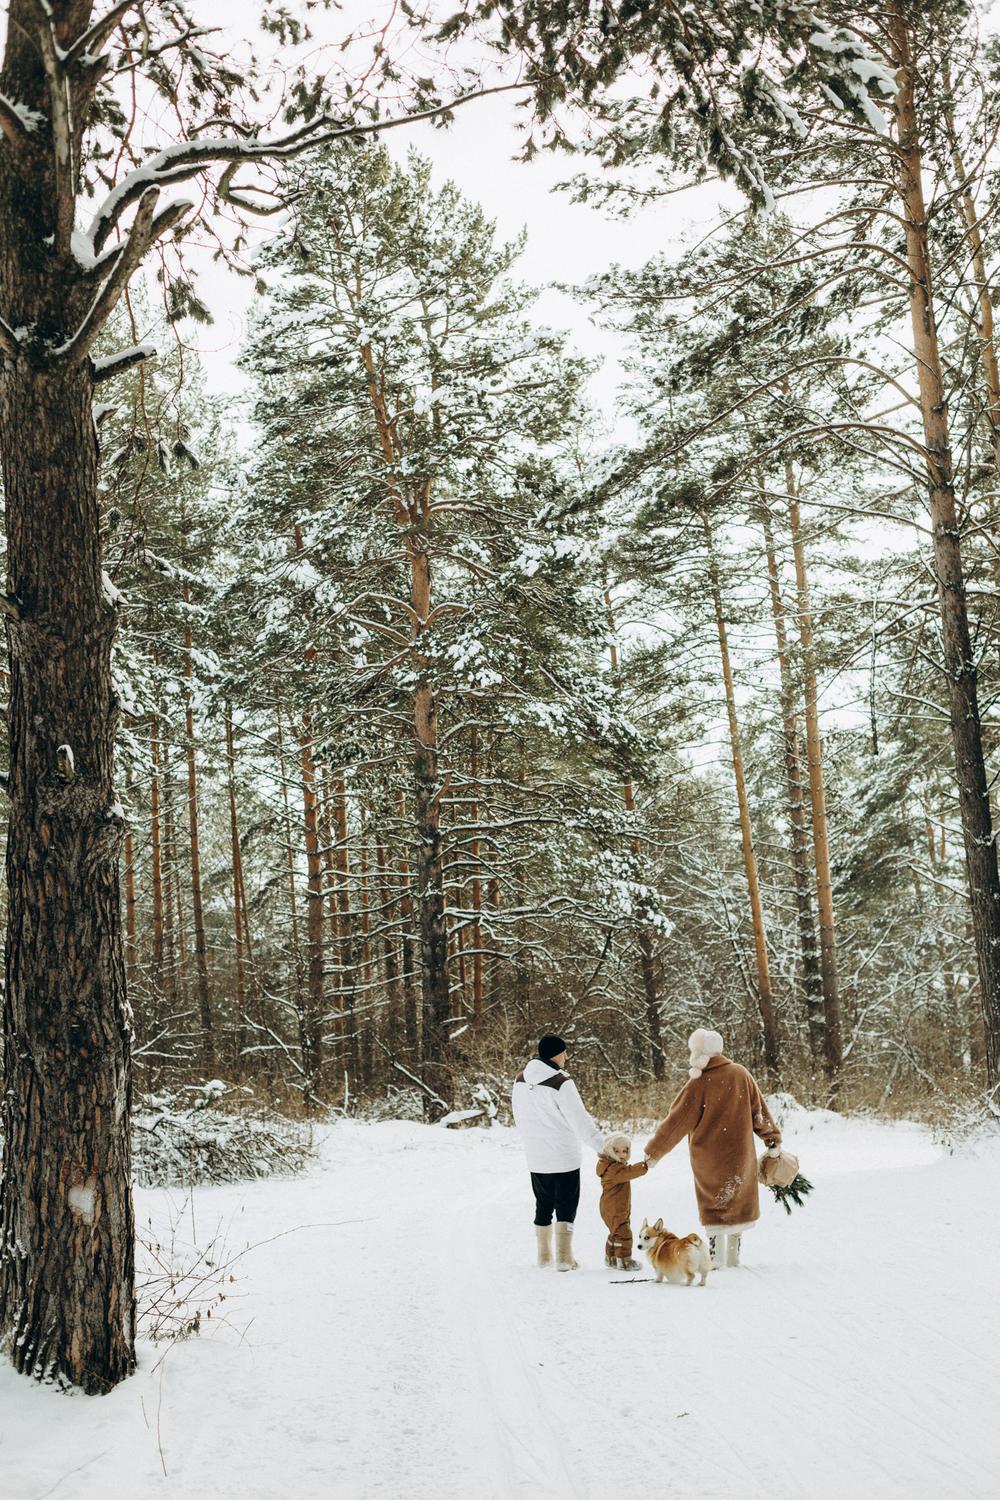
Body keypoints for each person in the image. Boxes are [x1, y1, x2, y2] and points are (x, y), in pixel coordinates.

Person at [644, 1027, 781, 1269]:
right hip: (740, 1152)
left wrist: (653, 1152)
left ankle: (715, 1253)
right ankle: (733, 1253)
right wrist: (771, 1139)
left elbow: (676, 1121)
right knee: (738, 1197)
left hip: (708, 1157)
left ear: (699, 1053)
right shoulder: (741, 1074)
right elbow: (759, 1111)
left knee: (714, 1201)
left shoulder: (698, 1082)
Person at [511, 1034, 605, 1271]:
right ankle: (564, 1258)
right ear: (555, 1054)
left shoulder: (520, 1080)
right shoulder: (561, 1082)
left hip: (536, 1157)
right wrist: (602, 1148)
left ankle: (543, 1256)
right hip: (564, 1157)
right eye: (564, 1052)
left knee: (542, 1203)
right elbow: (580, 1121)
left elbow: (519, 1116)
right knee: (566, 1205)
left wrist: (531, 1141)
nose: (566, 1056)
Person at [596, 1132, 648, 1270]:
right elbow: (629, 1172)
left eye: (625, 1151)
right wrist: (645, 1165)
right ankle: (625, 1261)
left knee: (616, 1232)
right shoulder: (614, 1169)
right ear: (609, 1151)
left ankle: (611, 1258)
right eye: (617, 1151)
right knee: (624, 1233)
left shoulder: (609, 1166)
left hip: (610, 1206)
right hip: (615, 1208)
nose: (621, 1154)